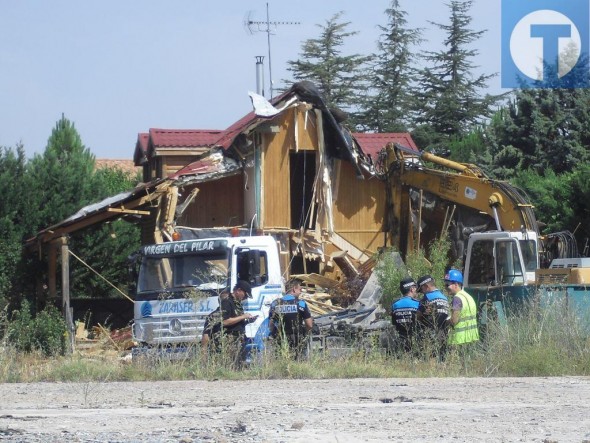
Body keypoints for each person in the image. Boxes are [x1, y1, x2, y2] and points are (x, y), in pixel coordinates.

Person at [268, 278, 313, 359]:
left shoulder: (275, 303)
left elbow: (270, 325)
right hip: (297, 339)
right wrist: (305, 332)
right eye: (299, 289)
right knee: (298, 360)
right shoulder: (301, 303)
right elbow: (309, 325)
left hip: (281, 339)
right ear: (294, 289)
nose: (300, 292)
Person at [218, 280, 257, 367]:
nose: (245, 298)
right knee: (233, 365)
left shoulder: (238, 304)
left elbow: (237, 322)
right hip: (231, 339)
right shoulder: (227, 302)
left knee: (240, 364)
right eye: (245, 295)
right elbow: (224, 321)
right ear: (238, 290)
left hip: (240, 338)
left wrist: (247, 321)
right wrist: (243, 316)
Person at [416, 274, 451, 361]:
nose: (422, 292)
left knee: (430, 357)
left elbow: (418, 315)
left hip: (431, 333)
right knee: (442, 357)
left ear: (426, 286)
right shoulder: (444, 297)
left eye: (422, 290)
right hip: (444, 332)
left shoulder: (427, 297)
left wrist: (423, 314)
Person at [444, 269, 479, 349]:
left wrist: (446, 322)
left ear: (456, 284)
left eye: (447, 285)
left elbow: (454, 320)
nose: (445, 288)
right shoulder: (468, 296)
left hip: (459, 340)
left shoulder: (457, 298)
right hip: (472, 337)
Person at [391, 277, 421, 355]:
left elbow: (394, 322)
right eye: (415, 288)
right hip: (415, 340)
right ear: (412, 289)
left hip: (399, 340)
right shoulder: (417, 303)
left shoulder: (395, 304)